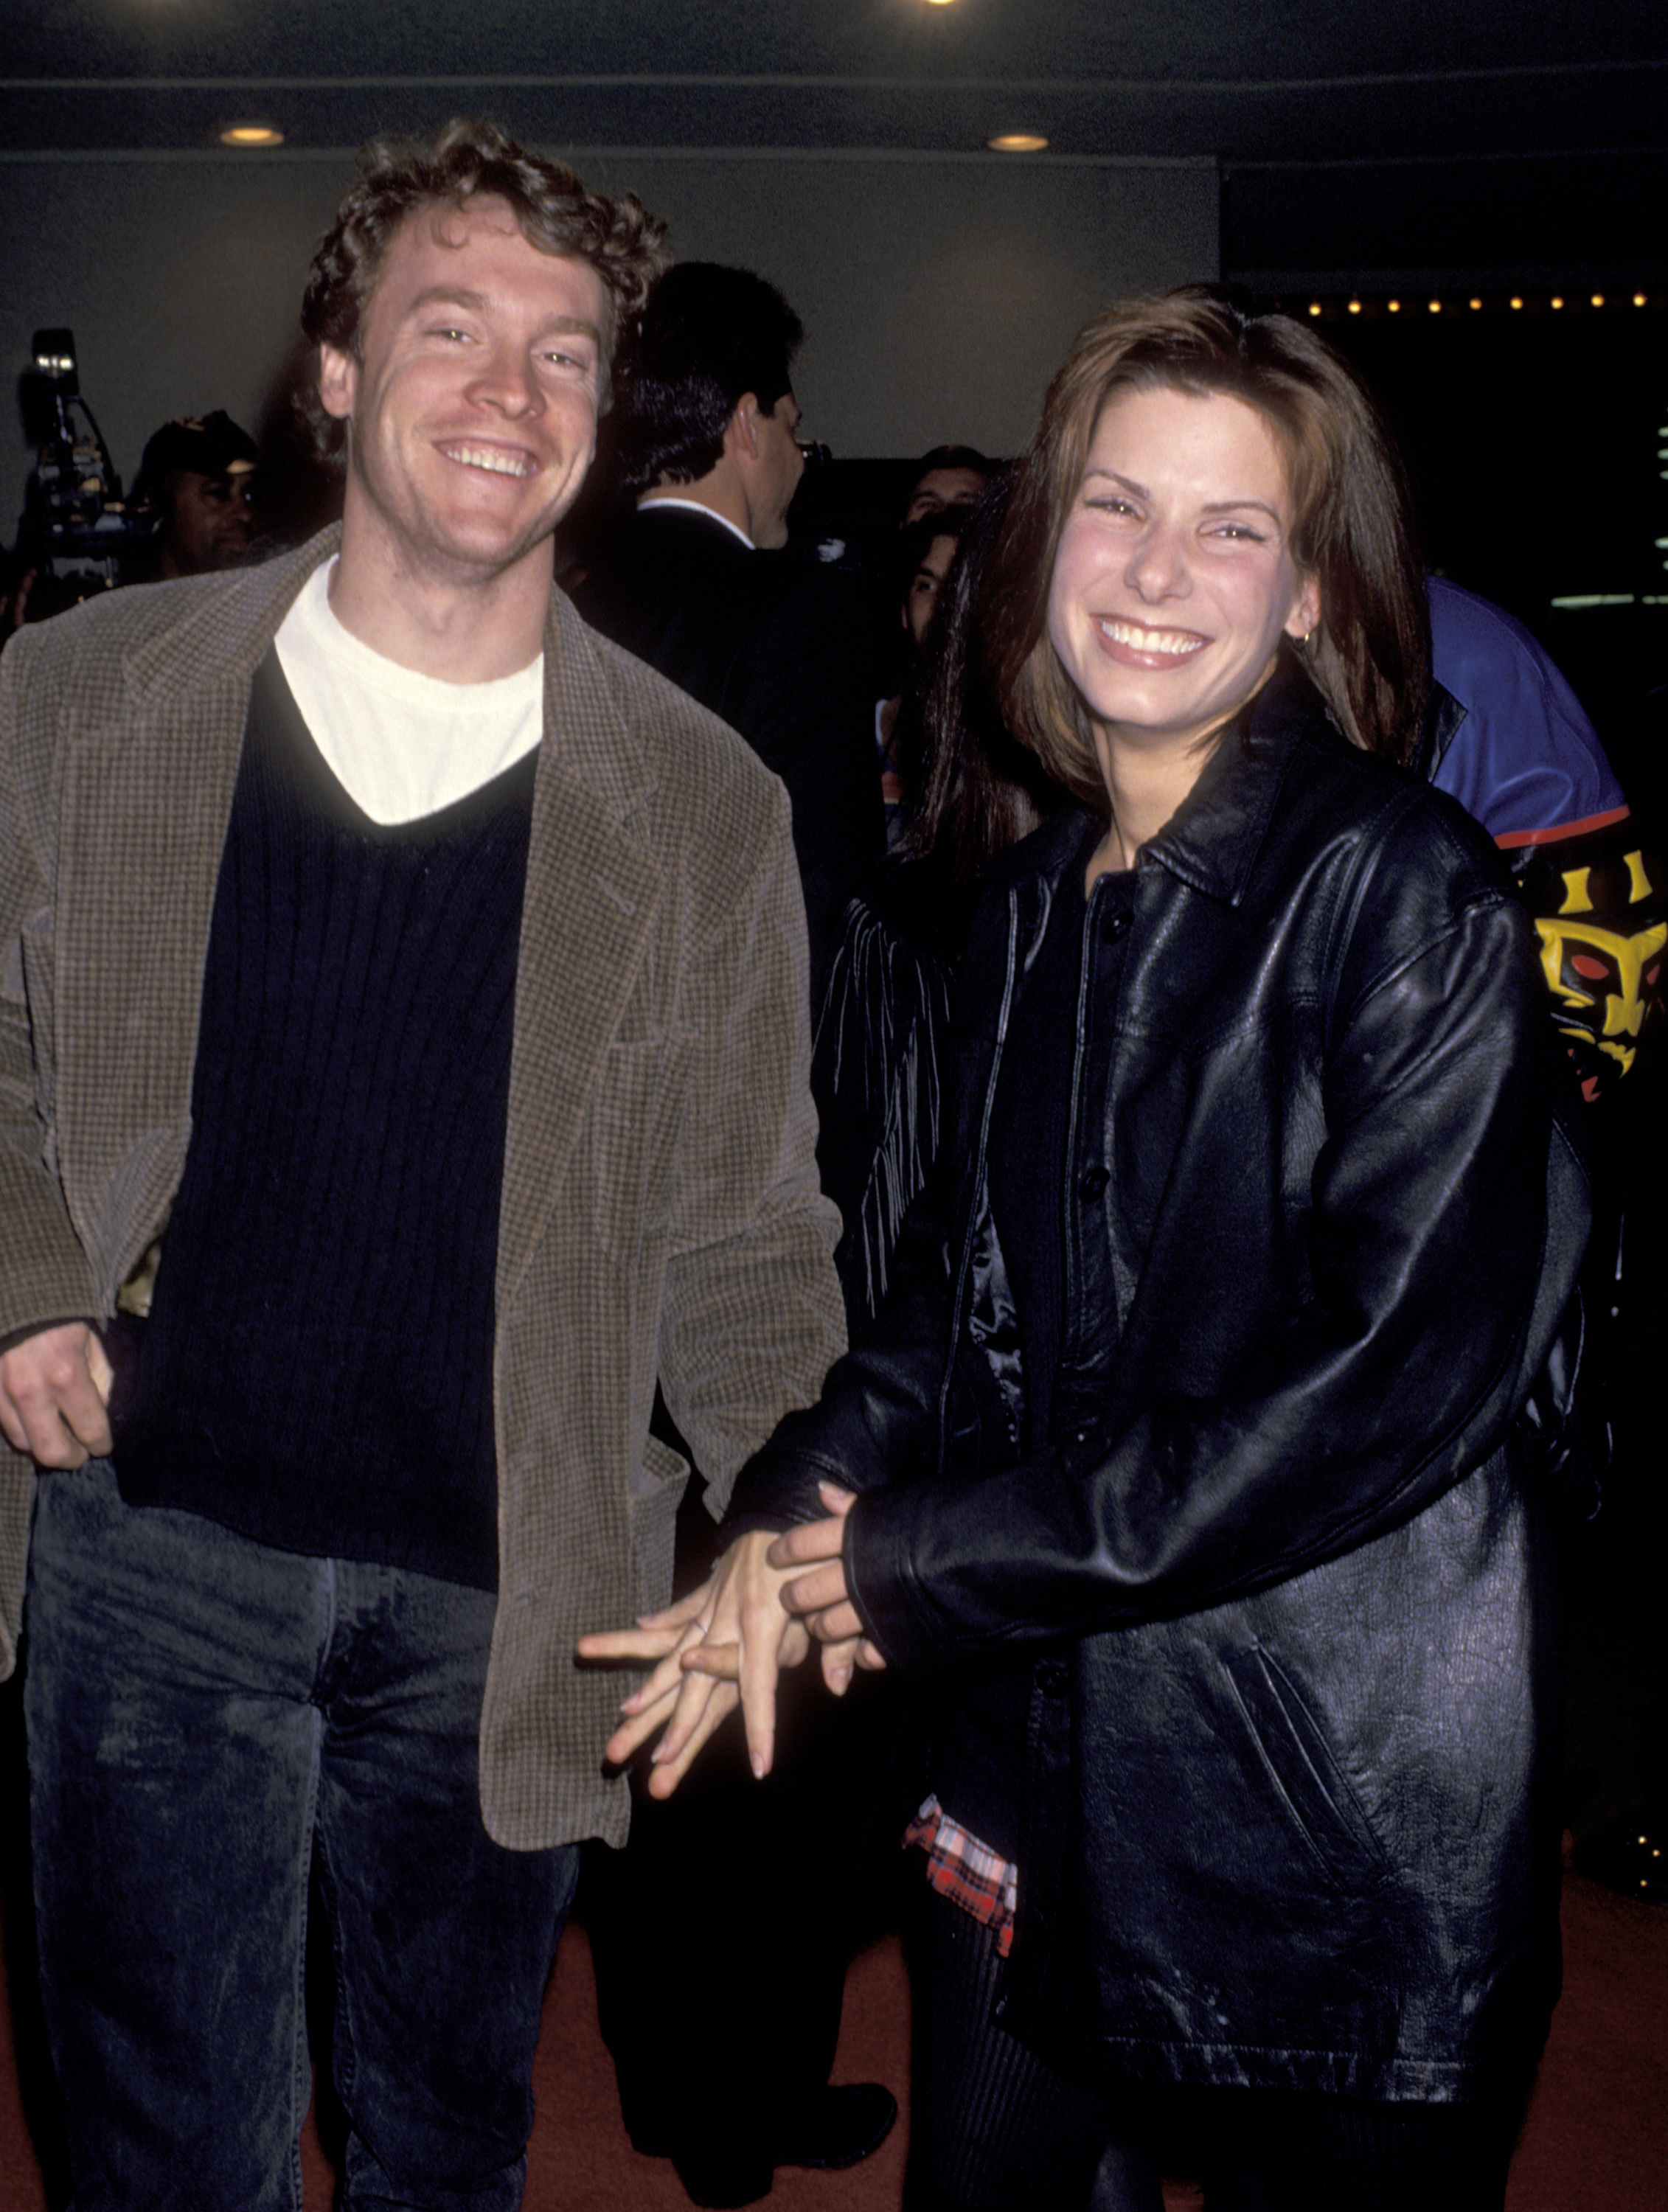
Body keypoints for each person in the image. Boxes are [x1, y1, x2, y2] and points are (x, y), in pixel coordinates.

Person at [585, 288, 1592, 2211]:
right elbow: (961, 1287)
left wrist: (901, 1562)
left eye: (1232, 527)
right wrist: (785, 1526)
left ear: (1306, 589)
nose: (1154, 572)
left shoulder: (1404, 895)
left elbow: (1365, 1398)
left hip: (1323, 1795)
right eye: (1117, 505)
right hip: (1049, 1738)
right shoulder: (1045, 887)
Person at [0, 118, 849, 2212]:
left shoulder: (702, 808)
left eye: (564, 355)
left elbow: (749, 1230)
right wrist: (22, 1260)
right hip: (153, 1543)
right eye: (449, 330)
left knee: (447, 2143)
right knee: (160, 2153)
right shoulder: (78, 694)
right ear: (339, 374)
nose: (509, 393)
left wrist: (803, 1524)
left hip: (515, 1584)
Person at [574, 262, 886, 1005]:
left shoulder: (559, 611)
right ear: (747, 423)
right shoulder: (800, 614)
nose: (800, 467)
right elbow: (823, 903)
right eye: (794, 429)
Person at [127, 407, 261, 577]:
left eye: (250, 496)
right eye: (218, 493)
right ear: (158, 507)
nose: (245, 515)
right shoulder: (117, 603)